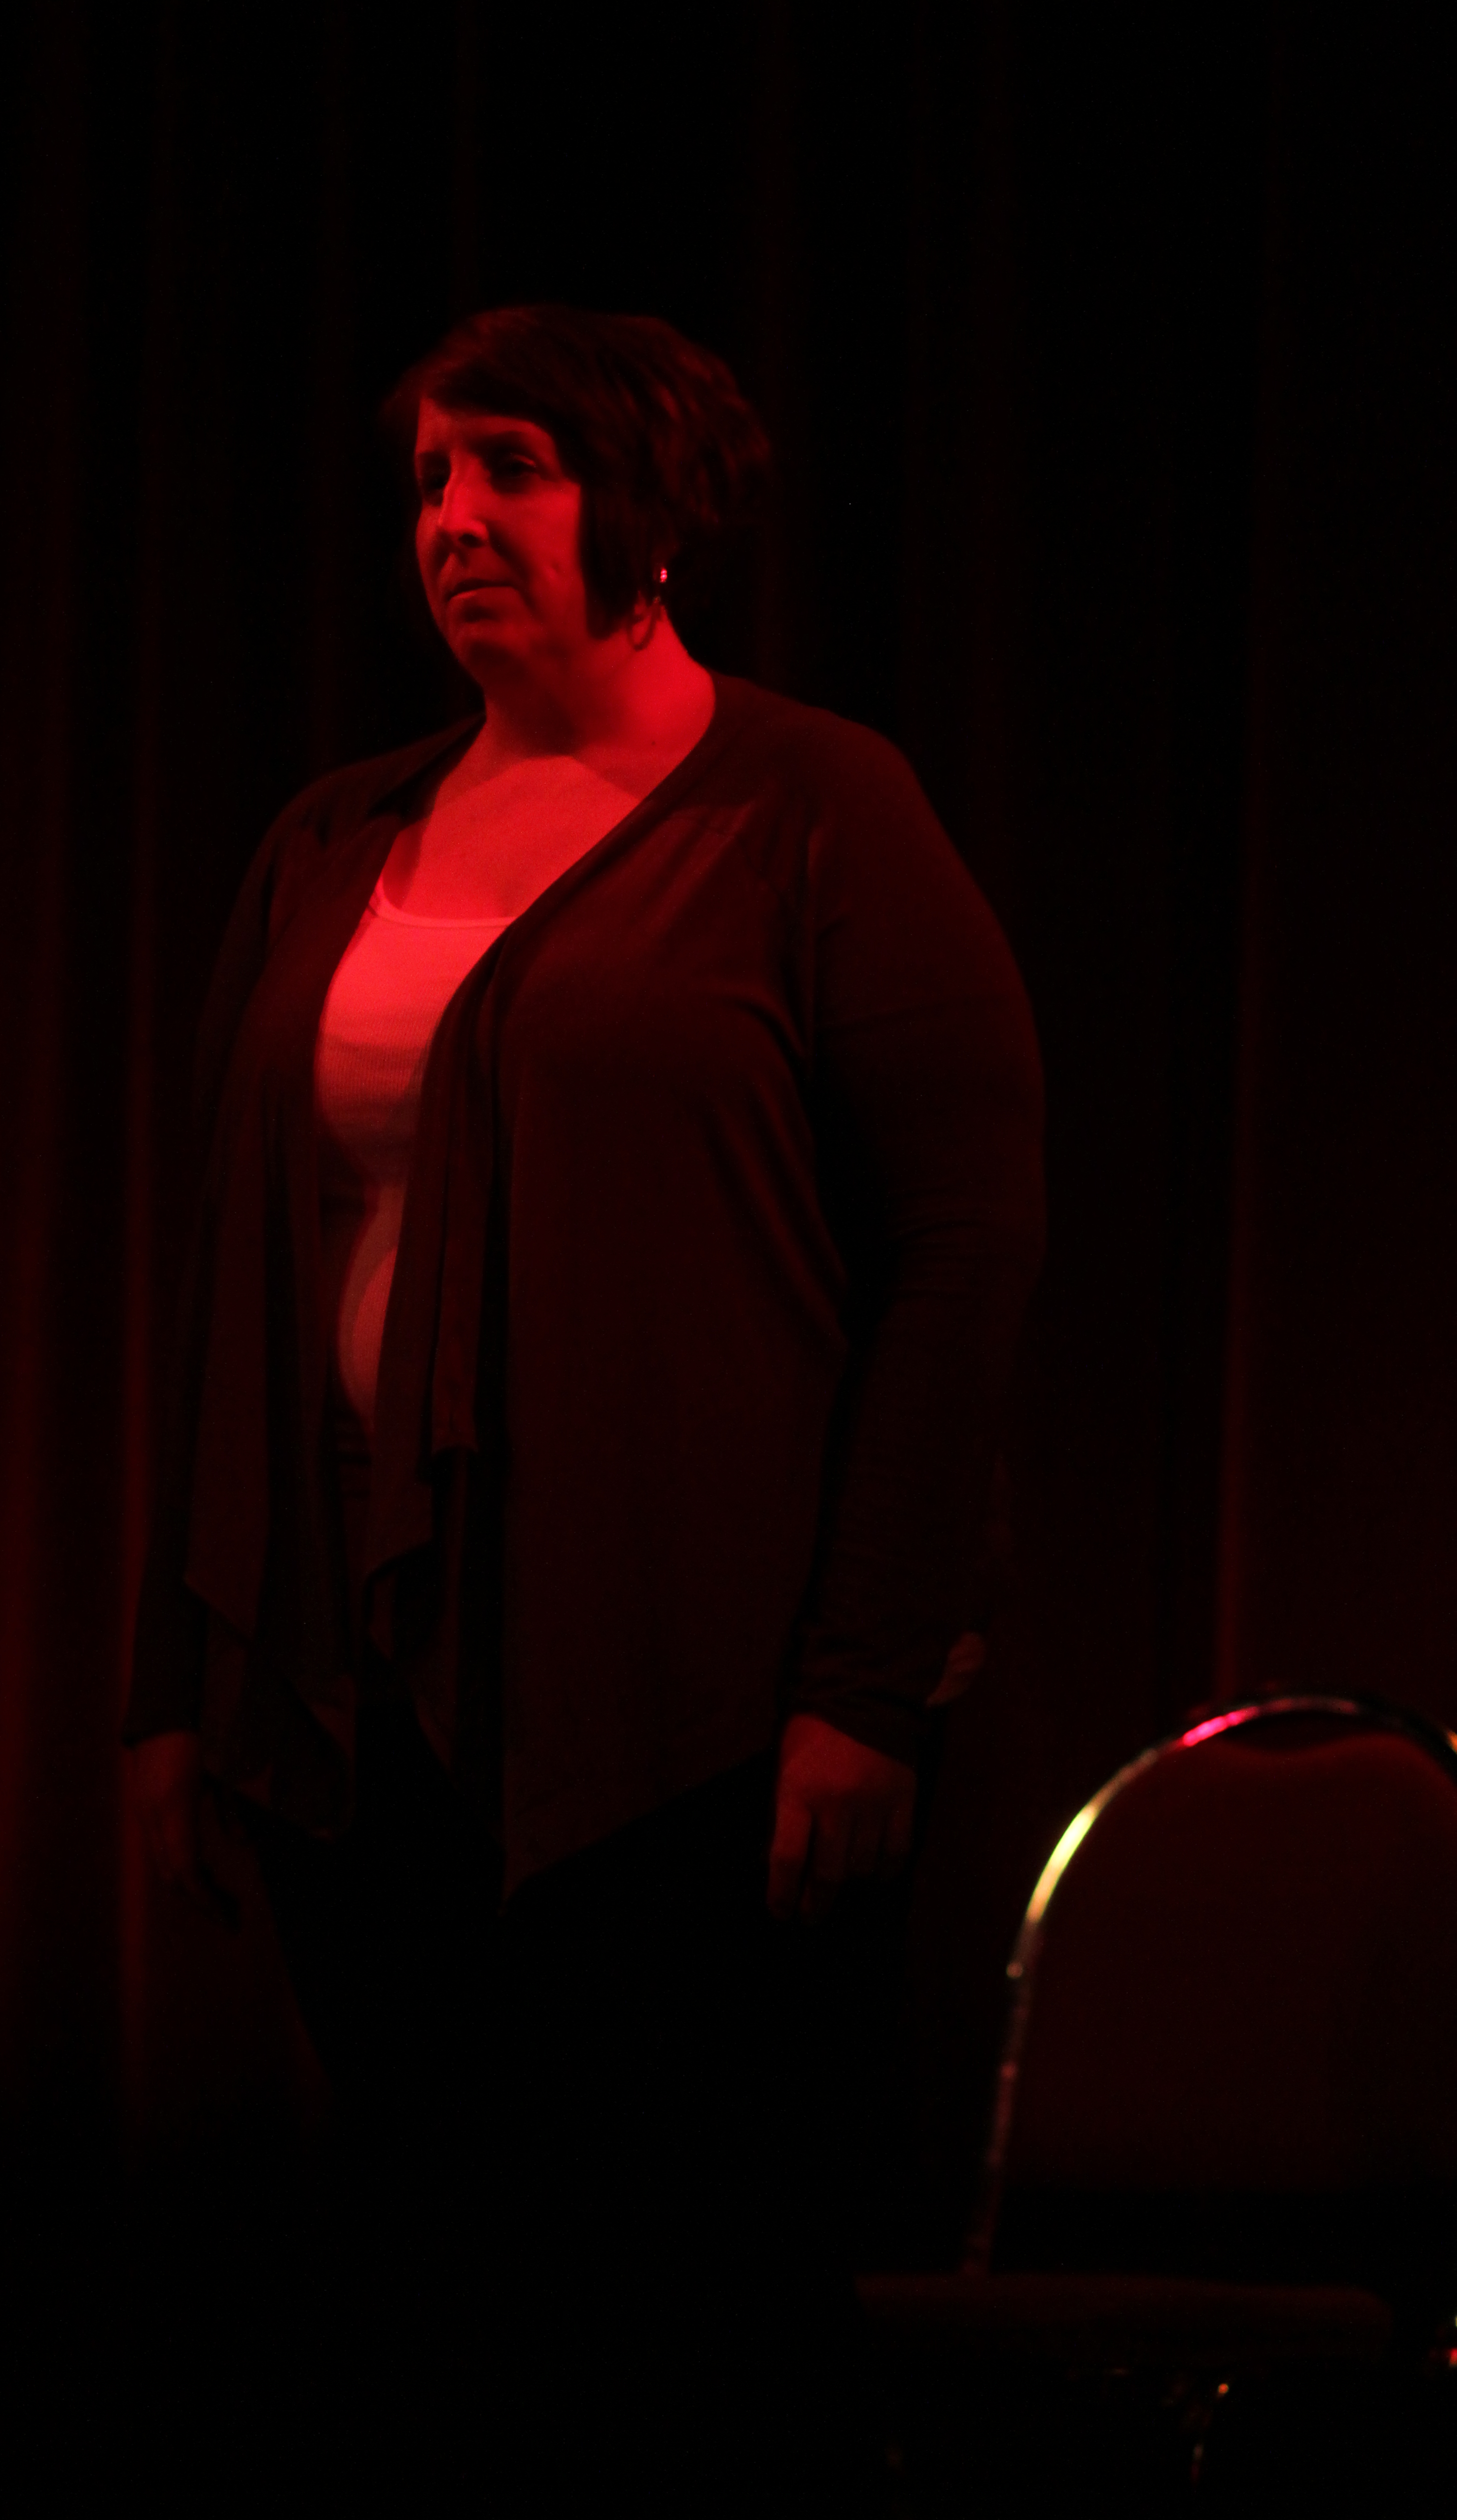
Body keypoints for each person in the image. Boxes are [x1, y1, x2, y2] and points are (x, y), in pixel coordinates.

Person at [124, 302, 1045, 2513]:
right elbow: (230, 1283)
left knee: (692, 2305)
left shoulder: (811, 809)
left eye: (511, 468)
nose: (453, 519)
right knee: (444, 2290)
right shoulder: (336, 836)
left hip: (694, 1707)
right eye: (430, 479)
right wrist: (180, 1674)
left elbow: (962, 1250)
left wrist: (862, 1686)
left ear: (653, 508)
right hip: (364, 1692)